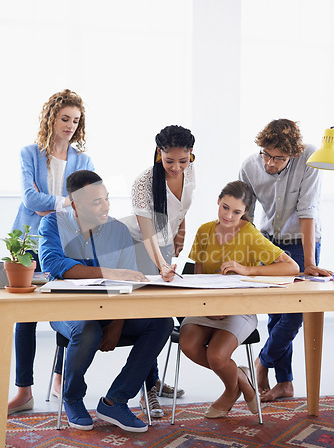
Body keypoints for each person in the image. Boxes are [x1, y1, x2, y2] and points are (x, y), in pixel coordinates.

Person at [38, 170, 174, 432]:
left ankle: (116, 400)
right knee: (87, 329)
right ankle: (73, 397)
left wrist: (118, 323)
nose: (106, 206)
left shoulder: (118, 230)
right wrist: (108, 272)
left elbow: (127, 282)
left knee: (161, 322)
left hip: (111, 311)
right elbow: (54, 263)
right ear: (75, 203)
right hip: (69, 311)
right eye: (96, 202)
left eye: (107, 199)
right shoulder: (53, 224)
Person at [179, 181, 299, 418]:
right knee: (188, 345)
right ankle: (243, 378)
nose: (229, 216)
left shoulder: (250, 235)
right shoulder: (204, 231)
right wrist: (207, 306)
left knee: (216, 355)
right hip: (206, 306)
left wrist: (247, 270)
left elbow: (291, 267)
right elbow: (199, 275)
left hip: (239, 309)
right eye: (225, 208)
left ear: (245, 212)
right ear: (218, 201)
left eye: (236, 212)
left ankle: (230, 390)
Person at [8, 89, 94, 416]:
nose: (70, 125)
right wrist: (63, 202)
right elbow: (30, 198)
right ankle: (24, 390)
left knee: (66, 307)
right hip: (27, 240)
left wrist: (64, 207)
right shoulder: (30, 154)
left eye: (76, 120)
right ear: (52, 118)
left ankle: (59, 380)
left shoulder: (83, 161)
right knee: (25, 316)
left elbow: (84, 203)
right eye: (65, 118)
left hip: (64, 241)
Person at [239, 118, 332, 402]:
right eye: (266, 154)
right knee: (276, 314)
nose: (270, 163)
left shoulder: (310, 158)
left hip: (301, 241)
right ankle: (286, 383)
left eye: (278, 158)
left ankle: (262, 361)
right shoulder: (249, 165)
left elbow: (307, 211)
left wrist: (308, 263)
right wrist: (245, 257)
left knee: (294, 314)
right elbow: (246, 216)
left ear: (292, 154)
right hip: (266, 241)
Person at [126, 125, 195, 418]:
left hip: (165, 245)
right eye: (170, 161)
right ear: (159, 154)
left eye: (184, 160)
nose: (177, 167)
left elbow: (182, 209)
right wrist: (163, 265)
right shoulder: (143, 184)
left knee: (166, 313)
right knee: (153, 317)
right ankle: (148, 391)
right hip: (137, 248)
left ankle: (153, 381)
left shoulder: (190, 169)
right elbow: (147, 236)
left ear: (191, 154)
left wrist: (181, 232)